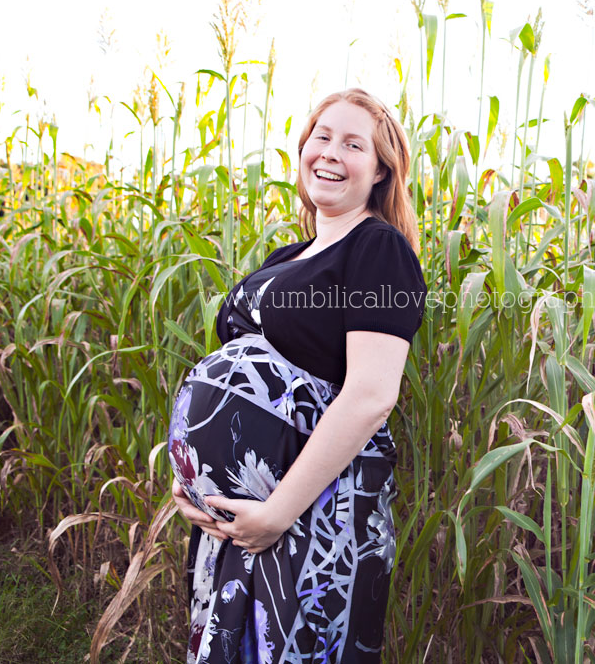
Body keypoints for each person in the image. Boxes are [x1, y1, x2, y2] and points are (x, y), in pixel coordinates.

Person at [168, 87, 427, 663]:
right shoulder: (288, 257)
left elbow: (371, 393)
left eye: (354, 144)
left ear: (382, 170)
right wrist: (199, 487)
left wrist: (277, 513)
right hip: (244, 519)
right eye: (322, 136)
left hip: (313, 516)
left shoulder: (378, 250)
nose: (331, 152)